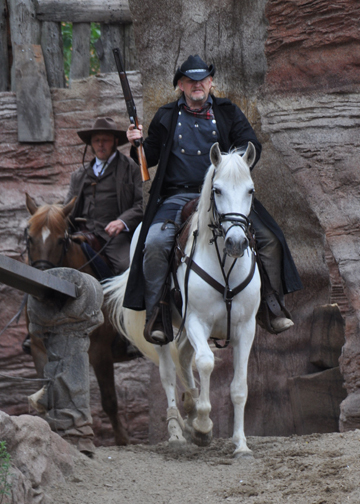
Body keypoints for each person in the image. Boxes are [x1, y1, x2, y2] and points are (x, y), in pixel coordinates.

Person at [124, 55, 303, 343]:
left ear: (211, 83)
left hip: (224, 195)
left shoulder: (228, 111)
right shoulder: (166, 115)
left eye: (202, 79)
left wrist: (233, 165)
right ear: (181, 85)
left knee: (270, 237)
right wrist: (137, 144)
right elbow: (150, 158)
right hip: (176, 196)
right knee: (155, 244)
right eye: (190, 80)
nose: (197, 84)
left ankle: (270, 305)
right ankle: (158, 314)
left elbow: (250, 143)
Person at [65, 117, 143, 278]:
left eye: (105, 140)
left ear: (115, 141)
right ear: (91, 144)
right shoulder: (79, 175)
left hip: (114, 236)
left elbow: (142, 203)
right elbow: (67, 210)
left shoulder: (131, 168)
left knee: (128, 267)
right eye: (96, 140)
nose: (101, 144)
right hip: (82, 232)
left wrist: (122, 222)